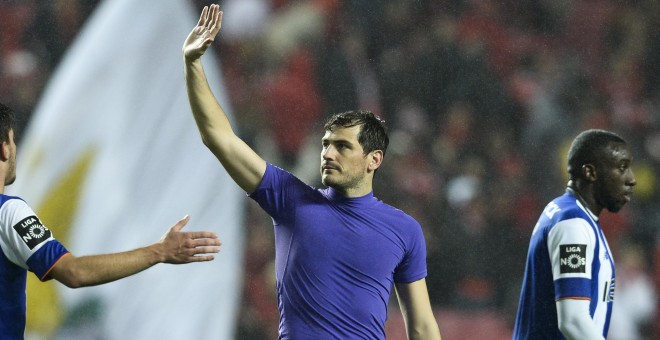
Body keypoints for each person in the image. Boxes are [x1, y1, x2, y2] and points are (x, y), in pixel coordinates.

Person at [182, 5, 441, 340]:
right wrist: (193, 65)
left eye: (343, 147)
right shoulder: (293, 202)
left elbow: (421, 325)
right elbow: (220, 138)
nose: (329, 154)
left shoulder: (404, 231)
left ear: (373, 159)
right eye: (327, 145)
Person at [0, 103, 222, 339]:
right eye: (13, 141)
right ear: (4, 149)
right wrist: (160, 251)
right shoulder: (9, 213)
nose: (15, 149)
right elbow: (74, 272)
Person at [513, 129, 636, 339]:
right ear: (590, 172)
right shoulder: (573, 224)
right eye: (622, 167)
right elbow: (573, 320)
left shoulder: (569, 213)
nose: (631, 179)